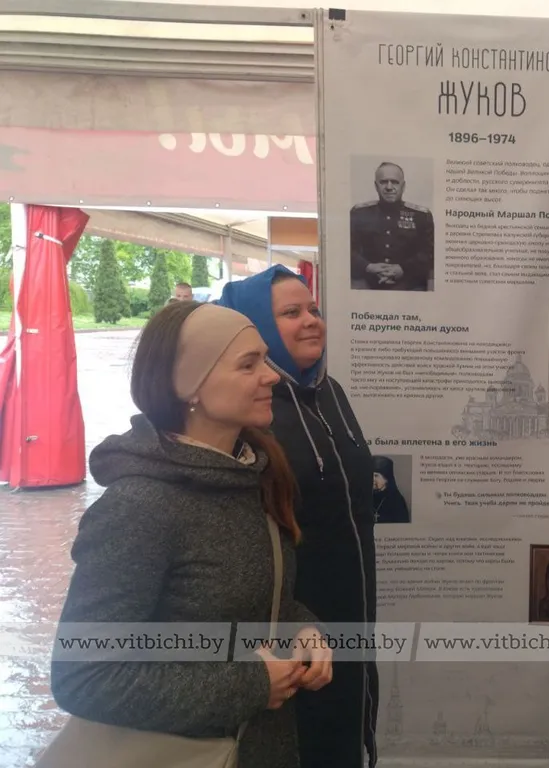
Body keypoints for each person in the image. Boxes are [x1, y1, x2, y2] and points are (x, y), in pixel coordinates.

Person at [49, 301, 333, 768]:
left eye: (265, 359)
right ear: (189, 387)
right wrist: (251, 685)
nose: (272, 376)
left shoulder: (252, 476)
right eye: (248, 364)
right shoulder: (139, 507)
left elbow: (255, 601)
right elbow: (84, 676)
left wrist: (303, 628)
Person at [217, 264, 379, 768]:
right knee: (303, 741)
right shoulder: (250, 414)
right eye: (291, 312)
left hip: (352, 607)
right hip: (292, 623)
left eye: (313, 308)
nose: (311, 320)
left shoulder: (330, 392)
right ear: (255, 326)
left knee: (347, 727)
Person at [350, 161, 434, 291]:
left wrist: (403, 268)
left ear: (403, 186)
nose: (389, 187)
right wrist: (368, 267)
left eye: (395, 182)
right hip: (368, 285)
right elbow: (348, 249)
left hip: (410, 286)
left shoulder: (421, 216)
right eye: (383, 182)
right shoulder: (358, 213)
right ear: (376, 186)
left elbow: (429, 252)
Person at [372, 455, 411, 524]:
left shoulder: (397, 501)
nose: (372, 479)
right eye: (371, 475)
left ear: (386, 479)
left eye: (376, 476)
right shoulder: (366, 498)